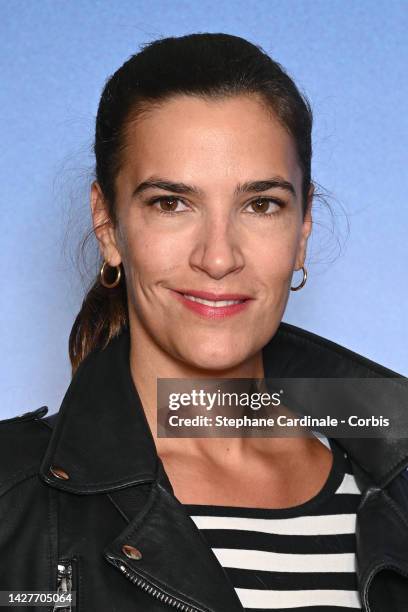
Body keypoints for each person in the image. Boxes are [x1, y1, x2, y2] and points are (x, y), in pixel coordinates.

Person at [1, 32, 408, 612]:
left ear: (304, 228)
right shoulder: (9, 502)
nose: (218, 258)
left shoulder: (393, 484)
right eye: (171, 202)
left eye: (261, 204)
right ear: (108, 225)